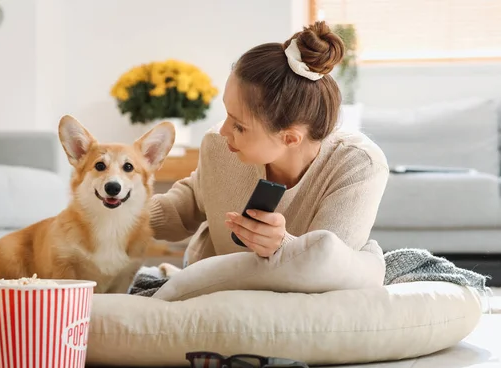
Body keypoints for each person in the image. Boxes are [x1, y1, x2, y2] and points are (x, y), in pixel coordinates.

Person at [149, 21, 389, 289]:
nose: (224, 131)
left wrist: (281, 246)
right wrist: (118, 212)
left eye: (239, 126)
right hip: (205, 287)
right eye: (227, 115)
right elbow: (190, 202)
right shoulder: (218, 145)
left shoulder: (358, 166)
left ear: (289, 138)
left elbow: (329, 271)